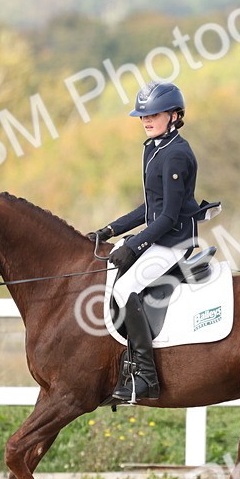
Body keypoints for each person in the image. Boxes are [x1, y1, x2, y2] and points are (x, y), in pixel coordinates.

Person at [87, 81, 209, 403]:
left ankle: (146, 377)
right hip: (159, 238)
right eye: (143, 115)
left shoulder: (177, 154)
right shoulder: (153, 149)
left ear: (174, 115)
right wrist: (109, 230)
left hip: (174, 242)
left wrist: (134, 246)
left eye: (153, 114)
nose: (146, 120)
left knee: (126, 289)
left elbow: (168, 216)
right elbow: (149, 206)